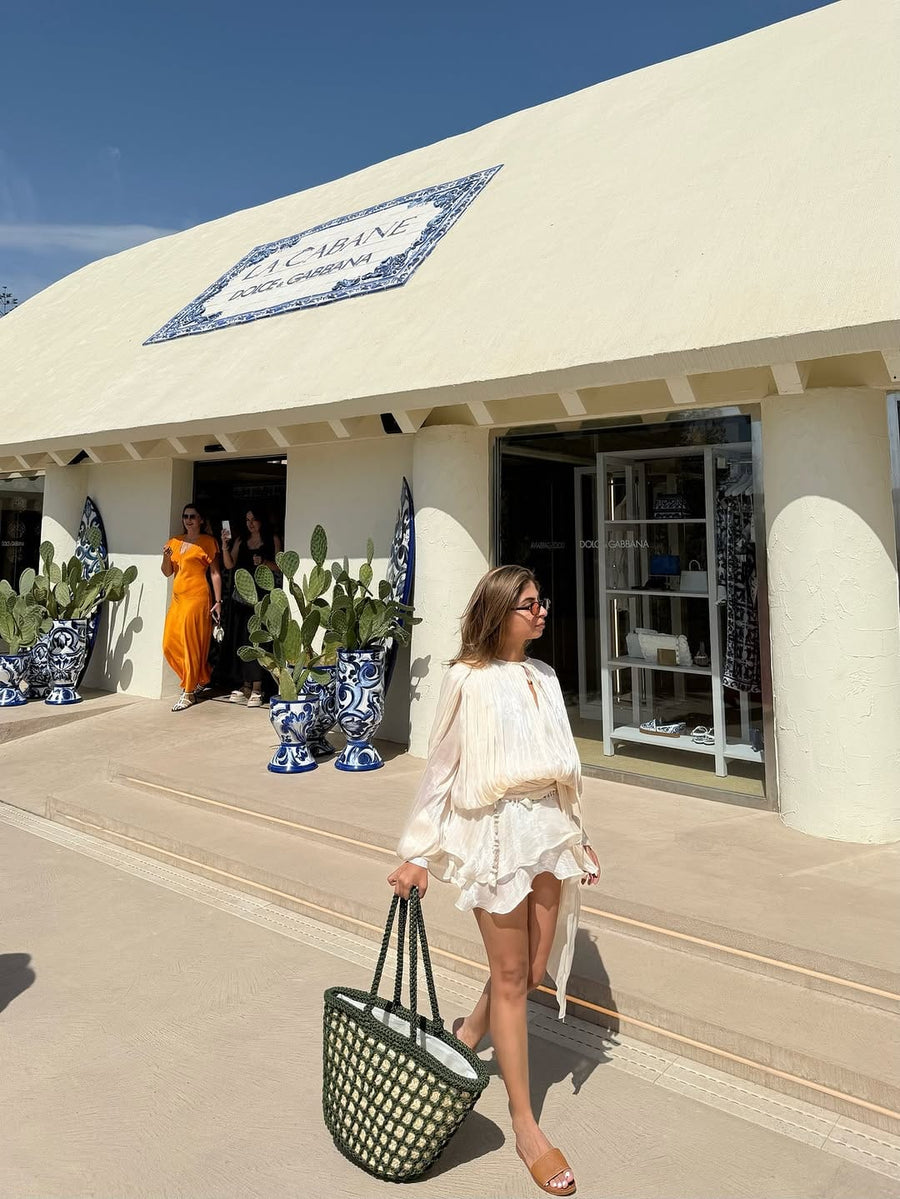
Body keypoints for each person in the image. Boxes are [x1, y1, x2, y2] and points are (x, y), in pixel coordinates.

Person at [388, 566, 600, 1197]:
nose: (541, 613)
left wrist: (577, 833)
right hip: (499, 834)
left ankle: (470, 1033)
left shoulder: (546, 677)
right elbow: (441, 772)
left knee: (532, 969)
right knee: (510, 978)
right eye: (528, 605)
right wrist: (418, 854)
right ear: (499, 611)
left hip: (547, 830)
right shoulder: (465, 680)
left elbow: (568, 766)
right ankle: (524, 1124)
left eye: (542, 602)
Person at [161, 502, 222, 712]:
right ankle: (201, 675)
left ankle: (188, 691)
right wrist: (166, 557)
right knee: (169, 643)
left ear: (201, 520)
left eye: (193, 516)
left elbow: (215, 573)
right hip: (178, 598)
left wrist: (218, 601)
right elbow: (167, 572)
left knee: (191, 644)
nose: (188, 520)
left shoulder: (207, 542)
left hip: (197, 598)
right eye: (185, 516)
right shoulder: (175, 542)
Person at [220, 510, 282, 707]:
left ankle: (258, 687)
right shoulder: (241, 541)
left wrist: (264, 562)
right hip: (244, 598)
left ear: (261, 520)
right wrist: (224, 547)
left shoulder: (272, 539)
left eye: (254, 519)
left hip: (263, 598)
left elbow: (281, 566)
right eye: (247, 520)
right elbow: (230, 565)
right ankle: (245, 685)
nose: (250, 524)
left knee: (259, 640)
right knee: (243, 640)